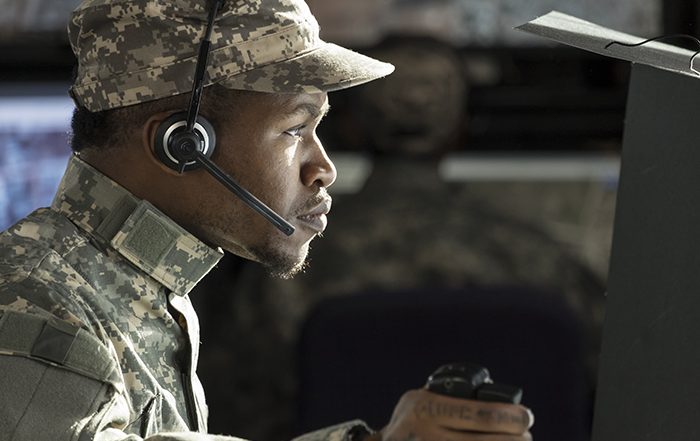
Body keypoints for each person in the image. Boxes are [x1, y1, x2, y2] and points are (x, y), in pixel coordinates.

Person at [0, 0, 533, 440]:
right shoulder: (33, 300)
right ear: (182, 143)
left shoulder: (134, 289)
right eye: (295, 129)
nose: (323, 169)